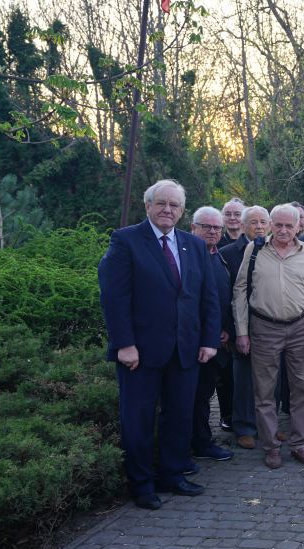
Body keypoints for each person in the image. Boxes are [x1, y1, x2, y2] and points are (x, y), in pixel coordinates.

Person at [97, 179, 220, 510]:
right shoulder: (126, 241)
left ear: (182, 211)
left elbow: (207, 296)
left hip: (186, 349)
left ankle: (172, 474)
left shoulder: (192, 245)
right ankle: (141, 484)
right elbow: (114, 297)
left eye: (175, 205)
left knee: (179, 415)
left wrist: (209, 340)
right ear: (147, 205)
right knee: (137, 420)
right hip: (140, 351)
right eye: (161, 203)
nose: (168, 210)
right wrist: (124, 344)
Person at [233, 204, 304, 469]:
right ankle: (271, 447)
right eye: (279, 225)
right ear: (270, 225)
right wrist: (242, 331)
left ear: (300, 225)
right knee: (264, 392)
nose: (284, 230)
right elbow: (240, 291)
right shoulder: (255, 250)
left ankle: (299, 445)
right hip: (264, 328)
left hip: (301, 327)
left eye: (290, 225)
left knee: (303, 389)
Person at [220, 205, 270, 449]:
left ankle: (266, 426)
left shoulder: (278, 250)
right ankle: (244, 427)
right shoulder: (228, 253)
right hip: (242, 326)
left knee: (271, 380)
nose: (259, 227)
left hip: (271, 327)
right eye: (254, 222)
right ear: (243, 225)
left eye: (263, 222)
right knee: (243, 381)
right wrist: (233, 330)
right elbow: (225, 293)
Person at [188, 207, 235, 463]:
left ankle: (201, 441)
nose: (213, 231)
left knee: (203, 395)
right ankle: (195, 443)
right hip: (192, 342)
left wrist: (225, 328)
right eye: (206, 227)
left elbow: (222, 298)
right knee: (192, 397)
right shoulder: (187, 257)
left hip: (216, 341)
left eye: (217, 228)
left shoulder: (218, 257)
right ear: (193, 227)